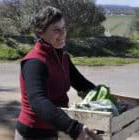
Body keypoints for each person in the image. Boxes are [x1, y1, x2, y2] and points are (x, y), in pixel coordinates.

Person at [14, 6, 97, 140]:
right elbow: (38, 102)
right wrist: (74, 128)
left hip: (54, 131)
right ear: (41, 33)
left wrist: (106, 98)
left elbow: (81, 83)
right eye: (56, 30)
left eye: (64, 28)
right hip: (33, 134)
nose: (63, 33)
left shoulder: (62, 55)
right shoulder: (34, 62)